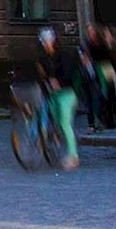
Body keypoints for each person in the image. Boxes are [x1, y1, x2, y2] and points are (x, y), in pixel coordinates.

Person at [36, 27, 80, 169]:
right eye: (44, 41)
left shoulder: (64, 56)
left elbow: (70, 73)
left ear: (54, 40)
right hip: (52, 95)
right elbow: (42, 77)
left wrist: (59, 82)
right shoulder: (43, 58)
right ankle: (59, 142)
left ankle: (73, 157)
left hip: (67, 94)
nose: (46, 44)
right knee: (58, 124)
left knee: (64, 122)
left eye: (48, 41)